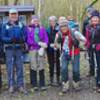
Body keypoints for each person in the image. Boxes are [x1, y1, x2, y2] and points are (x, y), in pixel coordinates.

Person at [55, 18, 86, 93]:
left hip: (75, 52)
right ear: (60, 27)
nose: (64, 28)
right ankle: (65, 85)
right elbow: (56, 43)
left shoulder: (75, 33)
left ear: (67, 26)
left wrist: (80, 46)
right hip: (64, 53)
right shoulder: (58, 34)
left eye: (65, 26)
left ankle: (76, 84)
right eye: (62, 26)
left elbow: (84, 40)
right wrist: (58, 46)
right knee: (64, 69)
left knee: (75, 70)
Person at [1, 8, 27, 93]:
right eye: (12, 14)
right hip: (9, 49)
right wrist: (10, 39)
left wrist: (21, 39)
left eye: (15, 14)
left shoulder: (21, 24)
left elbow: (25, 36)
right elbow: (2, 37)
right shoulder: (5, 25)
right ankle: (11, 85)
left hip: (19, 49)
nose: (13, 16)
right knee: (10, 67)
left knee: (19, 67)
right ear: (9, 15)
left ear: (17, 15)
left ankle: (20, 86)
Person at [27, 16, 48, 91]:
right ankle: (34, 84)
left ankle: (42, 84)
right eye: (34, 20)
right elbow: (28, 40)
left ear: (39, 21)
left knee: (41, 66)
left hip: (41, 50)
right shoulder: (29, 29)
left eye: (37, 20)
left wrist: (44, 44)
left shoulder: (42, 28)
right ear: (31, 21)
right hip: (32, 50)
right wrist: (38, 43)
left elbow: (46, 38)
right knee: (33, 66)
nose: (36, 22)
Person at [86, 10, 100, 92]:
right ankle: (97, 83)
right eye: (93, 20)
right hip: (92, 49)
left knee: (99, 67)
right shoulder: (88, 27)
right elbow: (87, 38)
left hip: (99, 49)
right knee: (95, 67)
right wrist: (87, 45)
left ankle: (99, 84)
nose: (94, 21)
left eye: (96, 20)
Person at [47, 16, 60, 86]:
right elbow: (46, 39)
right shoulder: (48, 29)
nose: (52, 22)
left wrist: (57, 44)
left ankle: (58, 79)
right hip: (50, 49)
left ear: (56, 21)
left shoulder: (59, 29)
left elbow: (60, 38)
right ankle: (51, 79)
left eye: (53, 21)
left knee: (58, 64)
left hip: (58, 49)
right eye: (50, 21)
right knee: (51, 64)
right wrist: (49, 44)